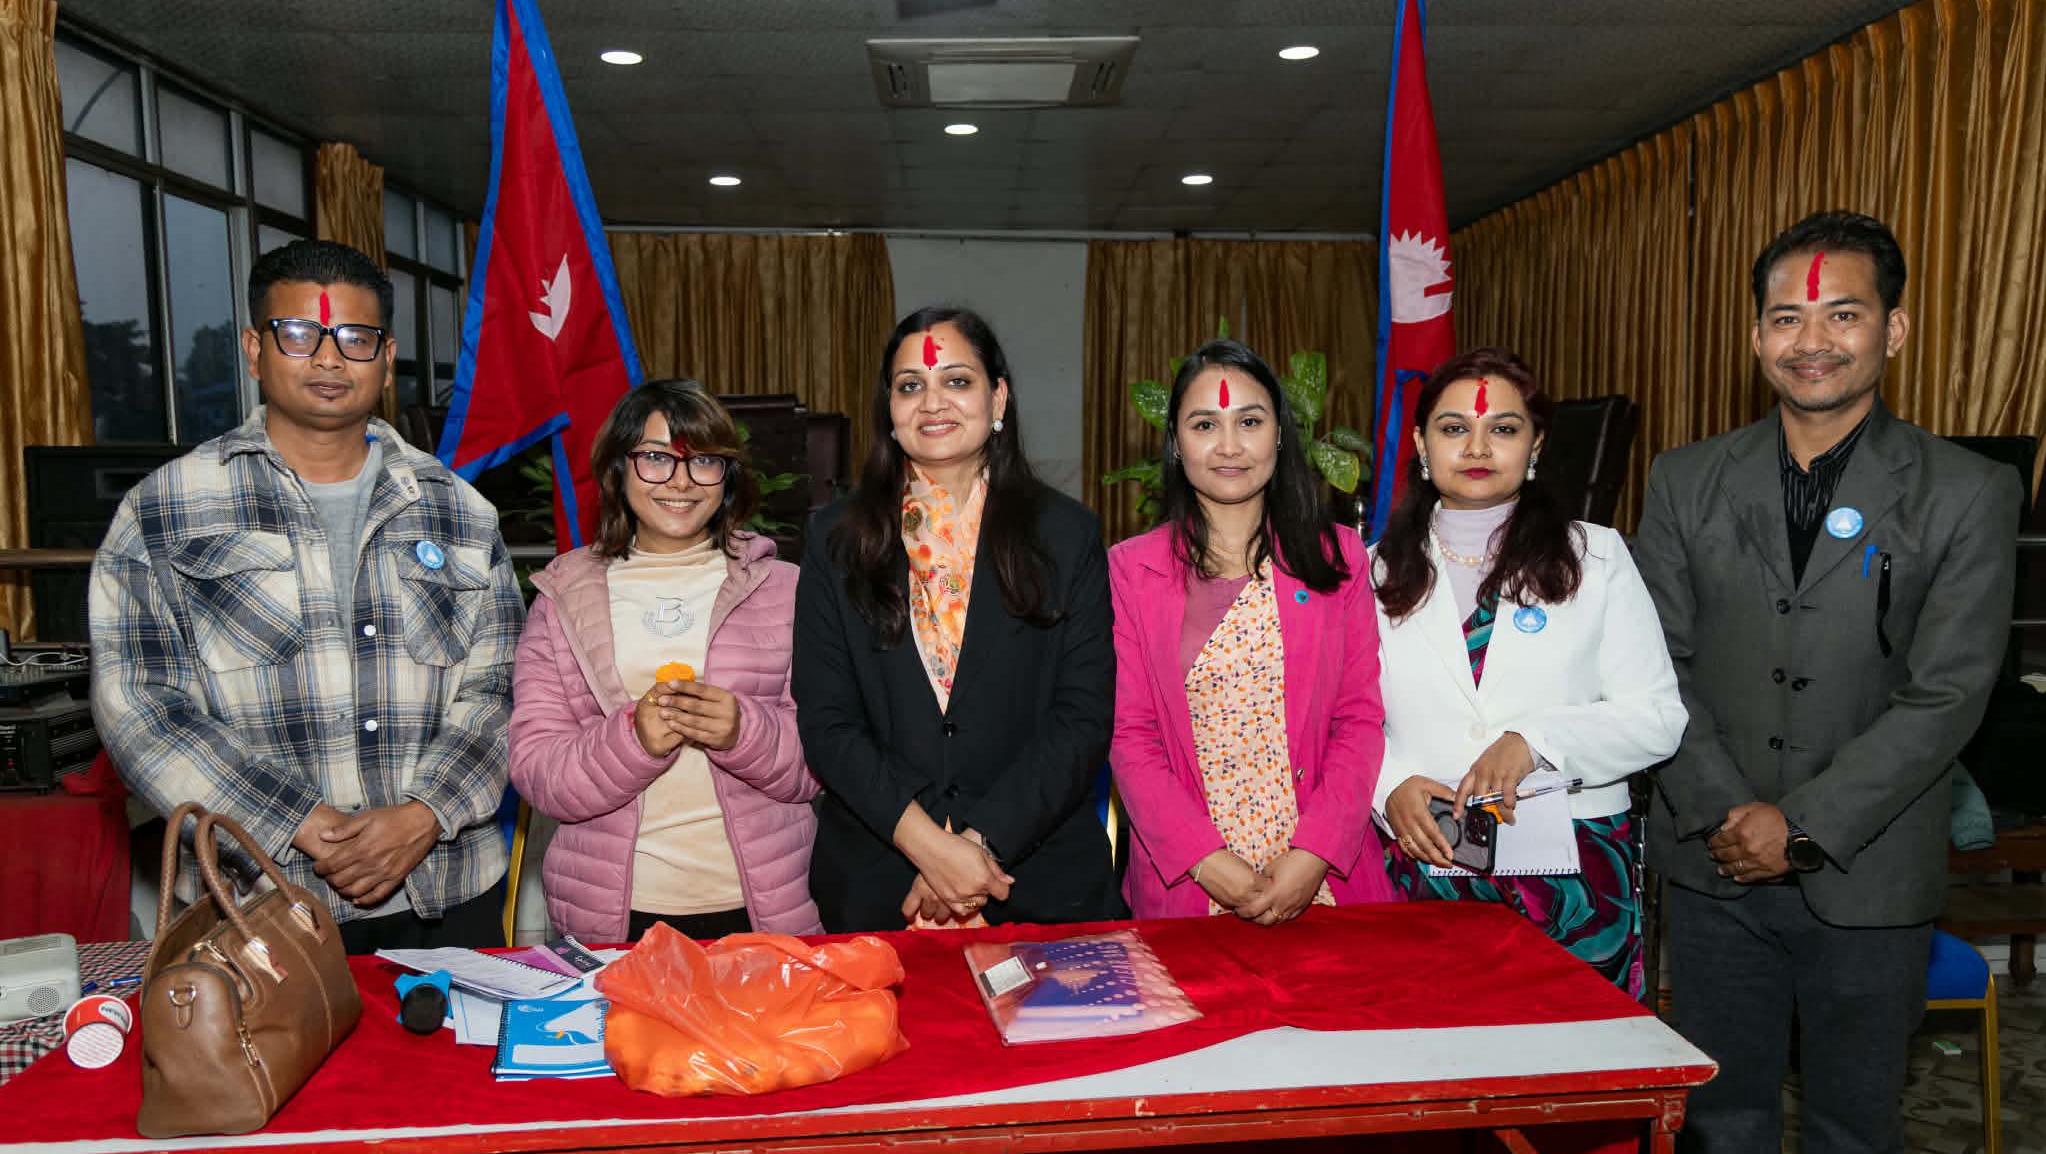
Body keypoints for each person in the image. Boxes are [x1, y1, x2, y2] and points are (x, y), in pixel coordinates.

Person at [1635, 211, 2020, 1154]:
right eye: (1785, 318)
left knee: (1857, 1138)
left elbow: (1949, 690)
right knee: (1718, 1130)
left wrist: (1800, 824)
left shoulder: (1967, 491)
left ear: (1893, 329)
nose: (1811, 339)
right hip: (1712, 863)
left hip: (1869, 867)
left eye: (1842, 314)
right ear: (1755, 336)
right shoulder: (1683, 480)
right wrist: (1729, 811)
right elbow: (1653, 667)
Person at [90, 239, 522, 953]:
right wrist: (296, 820)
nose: (328, 359)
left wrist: (424, 813)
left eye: (355, 338)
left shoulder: (459, 511)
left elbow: (500, 688)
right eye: (299, 334)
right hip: (254, 900)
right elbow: (140, 704)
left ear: (387, 358)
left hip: (445, 891)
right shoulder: (165, 510)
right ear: (254, 351)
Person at [794, 306, 1122, 932]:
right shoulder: (835, 539)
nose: (932, 402)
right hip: (882, 882)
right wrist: (930, 848)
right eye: (910, 385)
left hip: (1037, 880)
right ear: (889, 409)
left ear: (997, 397)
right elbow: (828, 721)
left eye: (957, 381)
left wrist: (978, 848)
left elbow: (1082, 717)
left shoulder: (1066, 535)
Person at [1373, 347, 1686, 994]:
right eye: (1454, 428)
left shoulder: (1597, 558)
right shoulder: (1369, 572)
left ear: (1535, 445)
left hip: (1575, 873)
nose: (1477, 447)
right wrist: (1387, 789)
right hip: (1421, 858)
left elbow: (1658, 718)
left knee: (1575, 1050)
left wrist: (1536, 742)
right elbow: (1342, 721)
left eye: (1504, 428)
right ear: (1421, 445)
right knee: (1431, 1046)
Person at [508, 380, 819, 942]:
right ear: (619, 469)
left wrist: (744, 732)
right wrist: (633, 741)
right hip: (614, 915)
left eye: (703, 460)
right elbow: (538, 773)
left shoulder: (786, 590)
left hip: (766, 906)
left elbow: (819, 765)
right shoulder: (562, 598)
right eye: (655, 458)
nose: (680, 481)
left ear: (726, 476)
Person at [1108, 339, 1395, 921]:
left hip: (1323, 877)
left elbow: (1359, 719)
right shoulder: (1131, 570)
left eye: (1250, 421)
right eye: (1204, 425)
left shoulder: (1337, 558)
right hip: (1189, 882)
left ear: (1281, 434)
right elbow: (1130, 736)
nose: (1229, 446)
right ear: (1175, 442)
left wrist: (1314, 854)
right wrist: (1206, 861)